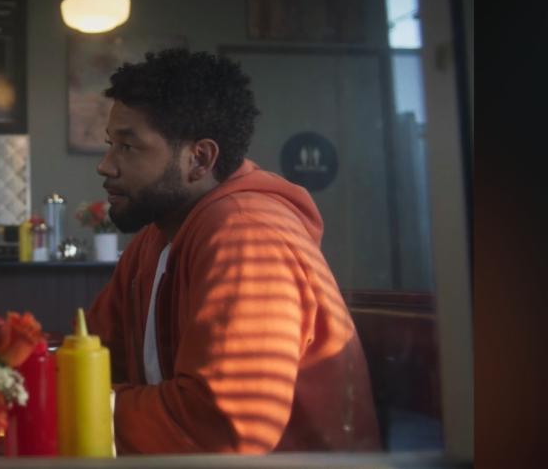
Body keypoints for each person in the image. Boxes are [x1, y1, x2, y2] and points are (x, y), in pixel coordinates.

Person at [86, 49, 380, 454]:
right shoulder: (154, 240)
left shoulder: (247, 233)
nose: (105, 165)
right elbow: (92, 355)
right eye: (110, 144)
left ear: (200, 158)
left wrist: (76, 404)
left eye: (128, 146)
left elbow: (223, 428)